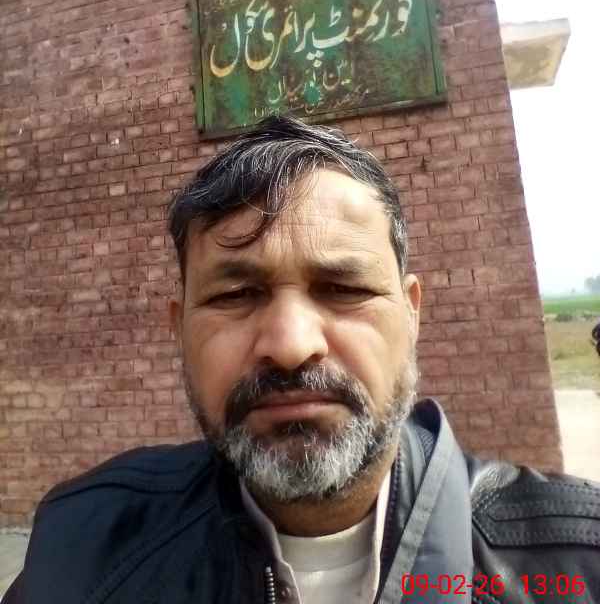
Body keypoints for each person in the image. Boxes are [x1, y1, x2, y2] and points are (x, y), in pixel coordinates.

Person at [5, 115, 600, 604]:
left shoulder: (579, 560)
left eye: (343, 289)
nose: (291, 345)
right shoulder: (81, 548)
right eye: (236, 295)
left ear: (411, 312)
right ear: (178, 328)